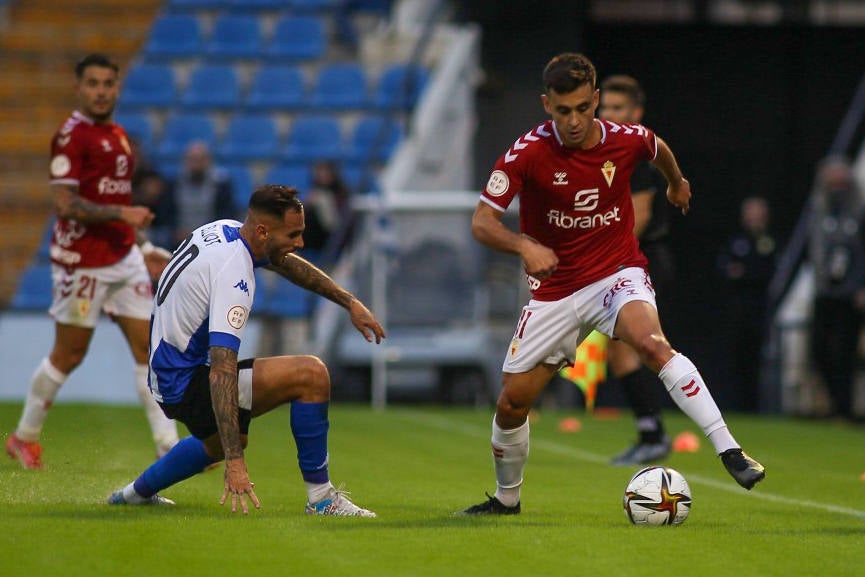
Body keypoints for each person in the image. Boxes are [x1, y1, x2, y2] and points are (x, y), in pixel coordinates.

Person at [460, 53, 765, 515]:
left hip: (615, 272)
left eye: (583, 108)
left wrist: (676, 184)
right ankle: (507, 500)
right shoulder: (527, 153)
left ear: (596, 100)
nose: (575, 120)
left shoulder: (624, 139)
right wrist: (524, 246)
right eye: (563, 111)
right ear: (547, 105)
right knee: (512, 403)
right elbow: (482, 222)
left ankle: (730, 450)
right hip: (555, 289)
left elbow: (656, 147)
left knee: (652, 344)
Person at [107, 184, 386, 516]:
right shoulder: (234, 275)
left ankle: (132, 495)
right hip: (184, 379)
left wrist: (348, 301)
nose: (300, 243)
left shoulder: (226, 230)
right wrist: (236, 461)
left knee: (216, 443)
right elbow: (223, 367)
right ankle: (322, 499)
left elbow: (285, 263)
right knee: (311, 375)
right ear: (264, 230)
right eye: (293, 235)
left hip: (166, 370)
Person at [5, 54, 178, 470]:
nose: (101, 91)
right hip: (81, 263)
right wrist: (125, 215)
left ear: (117, 87)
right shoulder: (71, 137)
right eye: (93, 83)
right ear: (79, 88)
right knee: (70, 354)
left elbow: (114, 201)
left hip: (123, 257)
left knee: (148, 350)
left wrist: (143, 243)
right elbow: (64, 205)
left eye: (108, 83)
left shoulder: (117, 135)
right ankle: (23, 437)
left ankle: (168, 448)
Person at [596, 74, 675, 465]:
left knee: (642, 348)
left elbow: (639, 216)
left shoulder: (636, 151)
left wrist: (596, 256)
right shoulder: (606, 150)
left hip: (640, 260)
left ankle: (656, 433)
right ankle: (651, 431)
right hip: (623, 262)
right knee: (623, 350)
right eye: (605, 108)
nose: (608, 115)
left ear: (636, 113)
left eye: (617, 109)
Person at [807, 156, 865, 420]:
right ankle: (833, 404)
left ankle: (844, 409)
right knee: (819, 350)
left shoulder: (859, 211)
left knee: (845, 352)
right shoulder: (819, 211)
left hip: (851, 295)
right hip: (824, 293)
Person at [717, 196, 777, 412]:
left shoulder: (769, 242)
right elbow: (724, 268)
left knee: (756, 360)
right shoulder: (736, 241)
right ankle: (735, 406)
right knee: (735, 359)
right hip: (736, 311)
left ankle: (756, 407)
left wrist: (744, 273)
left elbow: (766, 273)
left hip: (760, 310)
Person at [161, 141, 236, 246]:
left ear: (208, 161)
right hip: (178, 236)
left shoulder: (221, 185)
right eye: (192, 160)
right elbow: (166, 213)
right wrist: (176, 231)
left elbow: (226, 215)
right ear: (185, 161)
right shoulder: (173, 184)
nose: (196, 164)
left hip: (212, 237)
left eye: (200, 160)